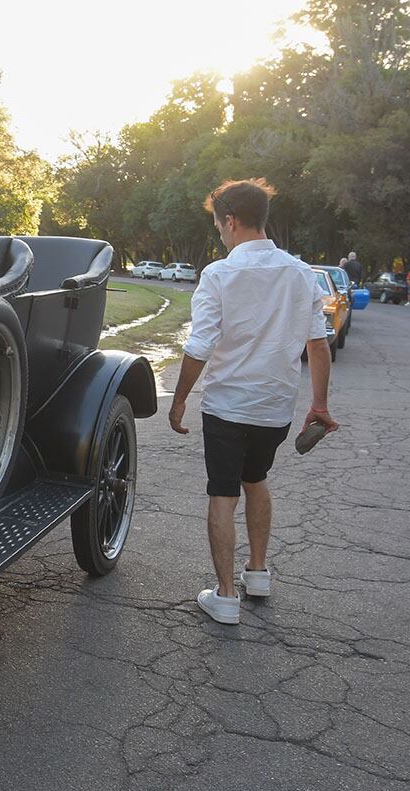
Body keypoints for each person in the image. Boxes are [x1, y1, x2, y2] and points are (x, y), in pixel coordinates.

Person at [168, 178, 338, 625]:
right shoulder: (302, 274)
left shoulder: (219, 273)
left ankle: (225, 596)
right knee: (256, 478)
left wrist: (179, 398)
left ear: (232, 221)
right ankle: (258, 572)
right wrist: (319, 405)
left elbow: (200, 344)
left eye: (218, 226)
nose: (219, 235)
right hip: (275, 408)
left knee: (223, 492)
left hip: (227, 406)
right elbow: (317, 345)